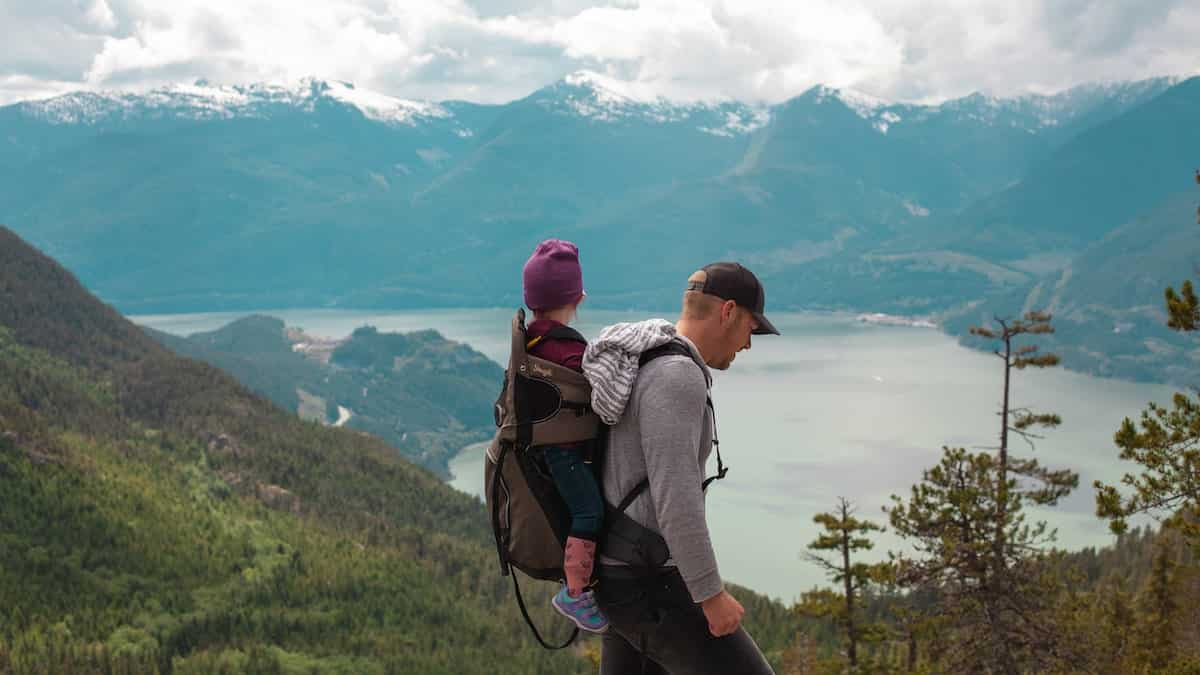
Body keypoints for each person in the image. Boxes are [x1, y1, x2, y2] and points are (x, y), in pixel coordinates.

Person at [582, 262, 780, 674]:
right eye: (750, 328)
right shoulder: (677, 375)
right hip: (650, 582)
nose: (748, 345)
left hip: (619, 572)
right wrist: (710, 594)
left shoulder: (645, 359)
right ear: (727, 311)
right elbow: (677, 499)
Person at [521, 238, 610, 633]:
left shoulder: (532, 341)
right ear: (578, 297)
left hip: (543, 449)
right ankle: (574, 593)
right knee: (589, 511)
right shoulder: (568, 352)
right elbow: (601, 394)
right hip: (566, 452)